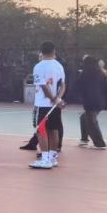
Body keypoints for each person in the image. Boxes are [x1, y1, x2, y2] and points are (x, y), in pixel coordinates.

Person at [30, 41, 66, 170]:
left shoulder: (38, 66)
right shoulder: (59, 66)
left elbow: (44, 86)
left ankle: (45, 159)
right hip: (54, 105)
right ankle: (52, 157)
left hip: (42, 104)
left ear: (41, 51)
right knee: (53, 129)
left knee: (41, 130)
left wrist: (53, 99)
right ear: (54, 51)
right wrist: (58, 99)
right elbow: (63, 84)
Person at [77, 55, 107, 149]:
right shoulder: (101, 73)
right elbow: (106, 87)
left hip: (90, 101)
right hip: (100, 101)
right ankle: (84, 139)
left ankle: (99, 144)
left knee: (92, 122)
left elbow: (80, 86)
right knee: (84, 118)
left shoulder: (85, 73)